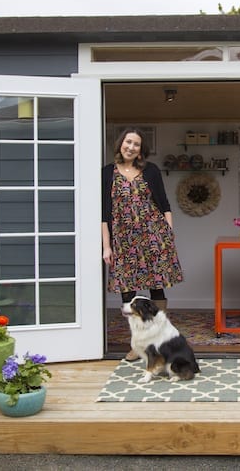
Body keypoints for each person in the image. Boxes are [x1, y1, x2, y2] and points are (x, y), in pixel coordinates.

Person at [102, 128, 183, 361]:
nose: (131, 147)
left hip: (153, 236)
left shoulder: (151, 170)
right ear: (120, 144)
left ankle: (159, 340)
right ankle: (137, 344)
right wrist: (107, 246)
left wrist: (168, 233)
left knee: (157, 287)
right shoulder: (107, 173)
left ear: (140, 150)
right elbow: (104, 214)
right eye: (128, 142)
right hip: (123, 240)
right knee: (128, 292)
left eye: (136, 144)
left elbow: (164, 204)